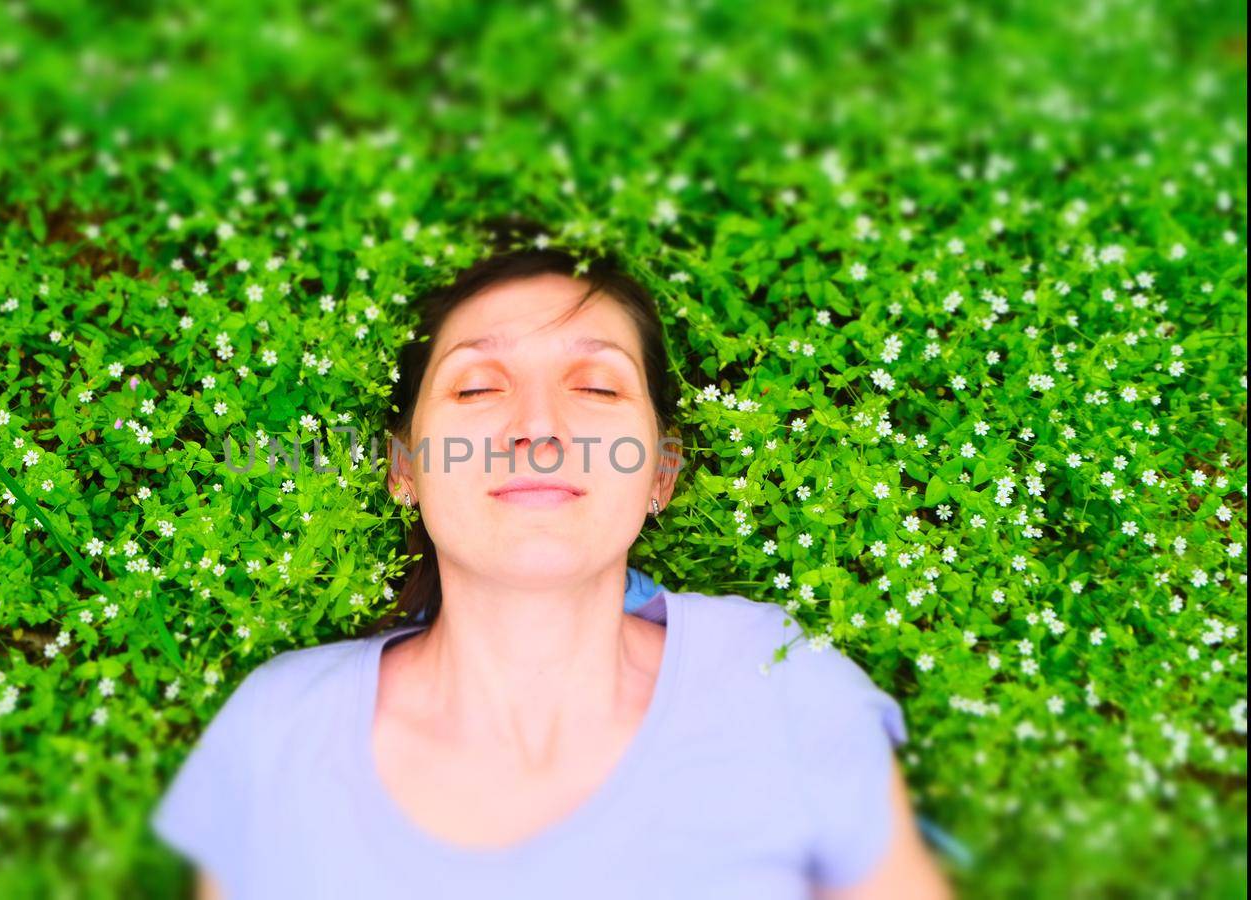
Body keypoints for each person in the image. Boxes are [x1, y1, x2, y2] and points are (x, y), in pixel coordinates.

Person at [152, 245, 954, 899]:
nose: (537, 428)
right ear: (405, 468)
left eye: (597, 385)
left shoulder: (783, 684)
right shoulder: (279, 725)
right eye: (476, 386)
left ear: (660, 473)